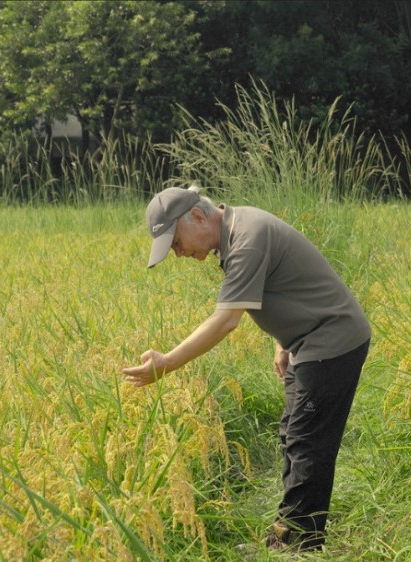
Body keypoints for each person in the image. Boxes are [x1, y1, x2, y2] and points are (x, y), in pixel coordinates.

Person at [122, 186, 372, 552]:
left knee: (307, 442)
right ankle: (287, 532)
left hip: (332, 341)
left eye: (175, 243)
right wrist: (282, 340)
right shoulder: (238, 229)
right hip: (307, 342)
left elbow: (226, 321)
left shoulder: (246, 237)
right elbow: (287, 282)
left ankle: (300, 545)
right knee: (292, 434)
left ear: (197, 216)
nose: (178, 254)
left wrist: (167, 364)